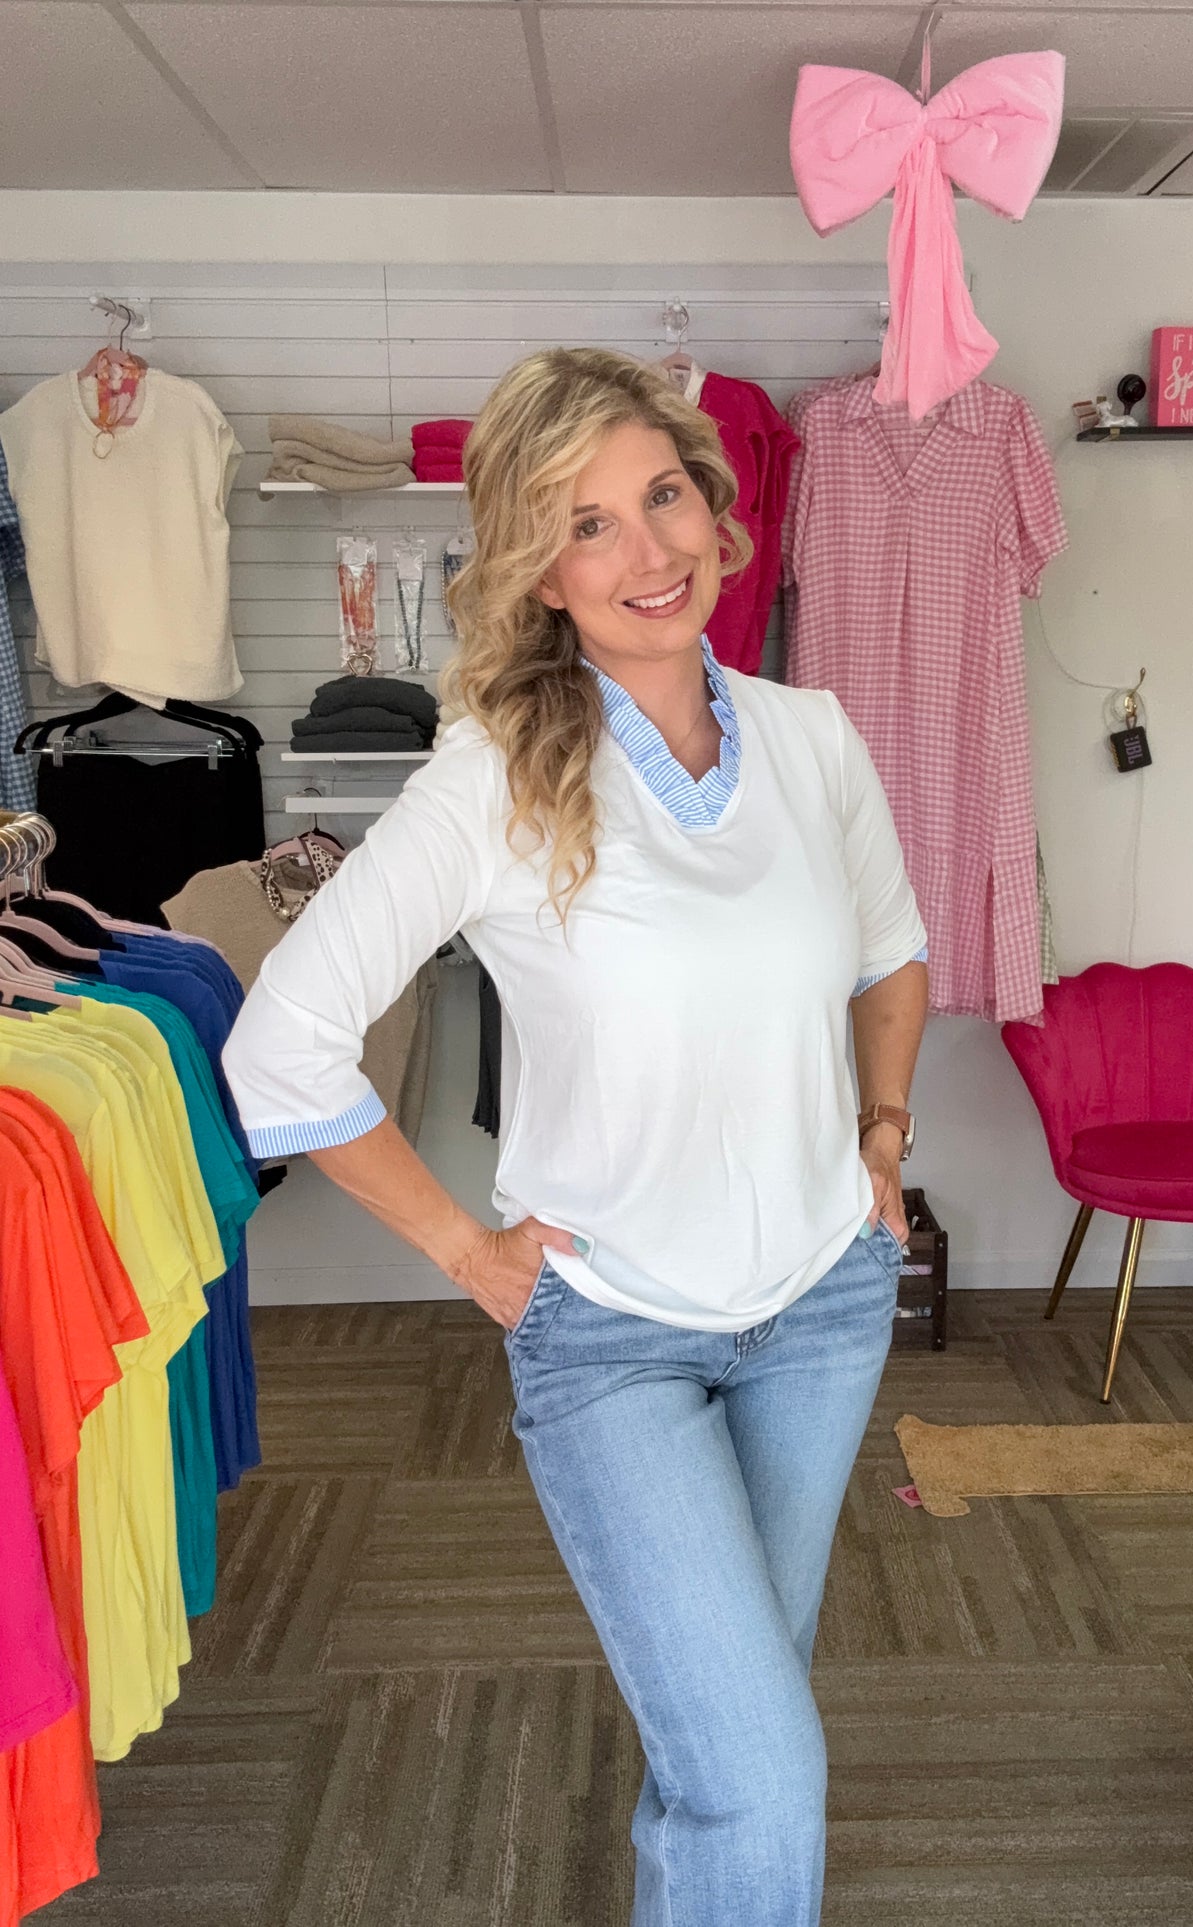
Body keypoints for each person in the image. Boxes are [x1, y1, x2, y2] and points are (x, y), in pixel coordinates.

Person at [222, 346, 930, 1925]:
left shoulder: (811, 736)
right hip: (611, 1334)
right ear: (538, 569)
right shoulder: (494, 774)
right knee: (760, 1770)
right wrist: (463, 1249)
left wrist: (881, 1138)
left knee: (730, 1739)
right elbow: (280, 1048)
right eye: (585, 523)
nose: (646, 550)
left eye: (660, 495)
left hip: (821, 1306)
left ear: (712, 502)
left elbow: (891, 956)